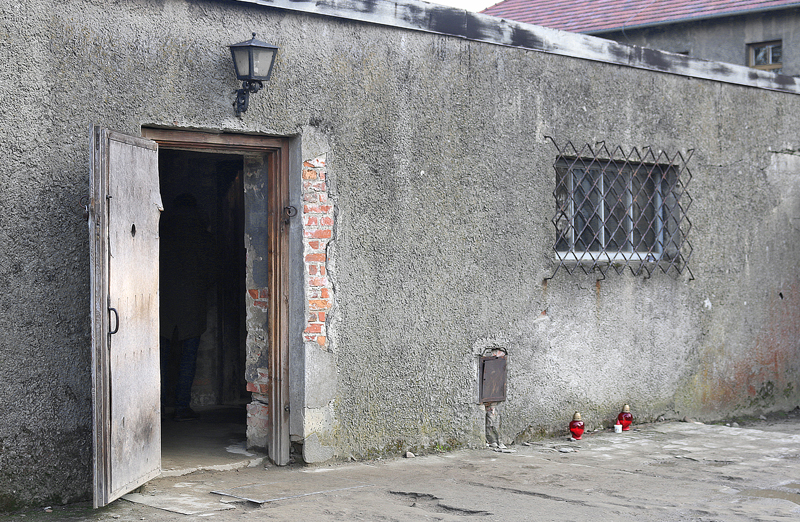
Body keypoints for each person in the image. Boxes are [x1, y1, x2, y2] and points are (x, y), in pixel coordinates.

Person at [159, 193, 214, 421]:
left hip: (163, 305)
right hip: (192, 303)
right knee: (188, 358)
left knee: (159, 359)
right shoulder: (201, 234)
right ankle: (182, 406)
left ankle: (157, 407)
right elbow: (211, 269)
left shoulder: (163, 231)